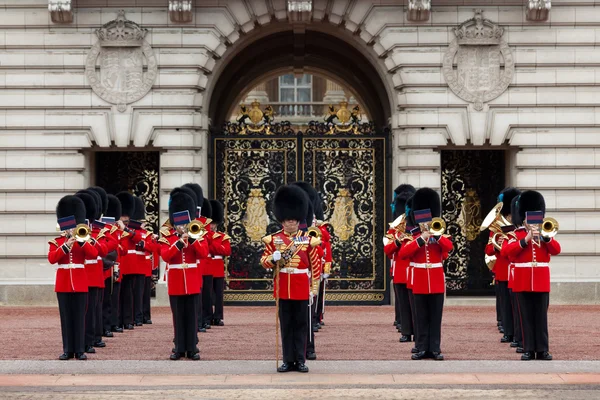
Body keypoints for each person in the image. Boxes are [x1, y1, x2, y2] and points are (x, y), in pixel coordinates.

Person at [260, 185, 321, 373]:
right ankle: (287, 360)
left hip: (302, 288)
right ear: (282, 221)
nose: (291, 223)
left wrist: (314, 289)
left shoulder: (308, 240)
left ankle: (301, 360)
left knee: (301, 326)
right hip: (283, 288)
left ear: (299, 220)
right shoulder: (273, 240)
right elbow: (264, 262)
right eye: (288, 220)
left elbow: (315, 266)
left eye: (294, 220)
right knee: (286, 326)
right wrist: (273, 258)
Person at [503, 190, 560, 361]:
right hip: (522, 280)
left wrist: (546, 238)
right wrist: (526, 239)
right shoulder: (516, 235)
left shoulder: (545, 234)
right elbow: (507, 252)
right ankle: (528, 349)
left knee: (541, 317)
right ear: (523, 218)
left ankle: (542, 349)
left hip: (541, 280)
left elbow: (557, 250)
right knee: (525, 317)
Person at [399, 188, 453, 361]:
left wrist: (436, 236)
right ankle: (421, 347)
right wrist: (421, 238)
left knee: (435, 317)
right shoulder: (413, 236)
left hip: (436, 280)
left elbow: (448, 248)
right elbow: (403, 254)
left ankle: (435, 348)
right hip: (420, 281)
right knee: (421, 316)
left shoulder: (439, 234)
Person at [160, 189, 209, 360]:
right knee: (178, 316)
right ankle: (178, 347)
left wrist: (192, 239)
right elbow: (165, 256)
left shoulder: (198, 234)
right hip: (176, 281)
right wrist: (179, 243)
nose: (181, 226)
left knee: (192, 315)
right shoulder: (167, 236)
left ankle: (192, 347)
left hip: (192, 280)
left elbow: (203, 253)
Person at [48, 195, 97, 360]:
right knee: (66, 318)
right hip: (63, 284)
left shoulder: (83, 240)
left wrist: (81, 241)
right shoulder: (56, 242)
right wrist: (66, 245)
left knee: (79, 317)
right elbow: (52, 258)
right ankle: (68, 349)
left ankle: (80, 350)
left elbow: (93, 254)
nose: (71, 229)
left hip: (80, 282)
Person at [484, 188, 521, 345]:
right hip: (503, 271)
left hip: (517, 271)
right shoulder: (498, 228)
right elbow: (488, 249)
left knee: (517, 305)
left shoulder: (520, 228)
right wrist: (497, 244)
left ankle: (518, 333)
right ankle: (508, 332)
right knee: (505, 304)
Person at [74, 191, 108, 354]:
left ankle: (90, 340)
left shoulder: (98, 231)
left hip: (93, 275)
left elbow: (104, 250)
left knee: (93, 310)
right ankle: (79, 341)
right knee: (81, 311)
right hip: (79, 275)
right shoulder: (73, 233)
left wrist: (91, 239)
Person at [384, 184, 416, 343]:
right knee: (403, 304)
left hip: (414, 271)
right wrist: (398, 240)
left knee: (415, 305)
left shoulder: (417, 229)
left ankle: (416, 331)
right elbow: (388, 250)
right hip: (400, 273)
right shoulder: (394, 230)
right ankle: (406, 331)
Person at [116, 191, 144, 329]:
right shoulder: (114, 227)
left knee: (129, 293)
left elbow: (138, 239)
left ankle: (128, 319)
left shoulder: (132, 228)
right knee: (117, 294)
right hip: (119, 263)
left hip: (130, 264)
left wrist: (125, 228)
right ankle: (118, 320)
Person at [208, 199, 231, 326]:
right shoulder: (204, 235)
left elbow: (226, 251)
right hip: (207, 267)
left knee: (218, 295)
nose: (211, 226)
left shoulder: (222, 236)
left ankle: (218, 316)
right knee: (207, 295)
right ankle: (208, 316)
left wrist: (213, 244)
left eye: (213, 223)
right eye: (210, 223)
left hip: (217, 268)